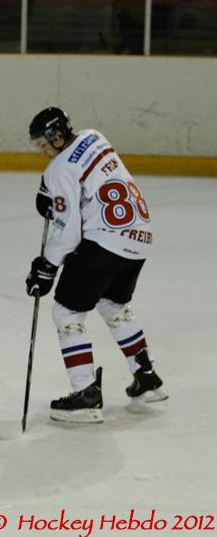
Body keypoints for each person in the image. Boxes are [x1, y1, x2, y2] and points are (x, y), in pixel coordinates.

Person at [26, 107, 167, 423]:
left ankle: (86, 394)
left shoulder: (57, 170)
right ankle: (146, 376)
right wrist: (58, 195)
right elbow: (88, 181)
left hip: (106, 241)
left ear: (57, 136)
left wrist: (47, 266)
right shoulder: (94, 137)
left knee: (66, 311)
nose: (41, 150)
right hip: (139, 235)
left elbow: (69, 230)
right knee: (113, 305)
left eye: (43, 143)